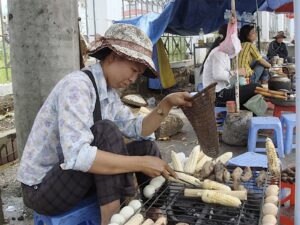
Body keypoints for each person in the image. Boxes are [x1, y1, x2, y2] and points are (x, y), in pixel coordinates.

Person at [17, 23, 192, 225]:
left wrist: (166, 104)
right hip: (43, 189)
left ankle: (156, 214)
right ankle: (111, 219)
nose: (134, 79)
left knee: (147, 146)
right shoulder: (77, 86)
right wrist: (141, 163)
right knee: (106, 133)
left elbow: (138, 128)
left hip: (74, 179)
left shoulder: (108, 94)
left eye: (138, 74)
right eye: (133, 70)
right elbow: (78, 155)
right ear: (114, 56)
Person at [202, 24, 260, 107]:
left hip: (220, 91)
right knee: (256, 87)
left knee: (249, 89)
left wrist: (236, 75)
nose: (237, 40)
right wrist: (237, 72)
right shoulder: (219, 52)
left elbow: (226, 76)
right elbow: (218, 75)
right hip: (216, 95)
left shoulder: (223, 52)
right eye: (235, 37)